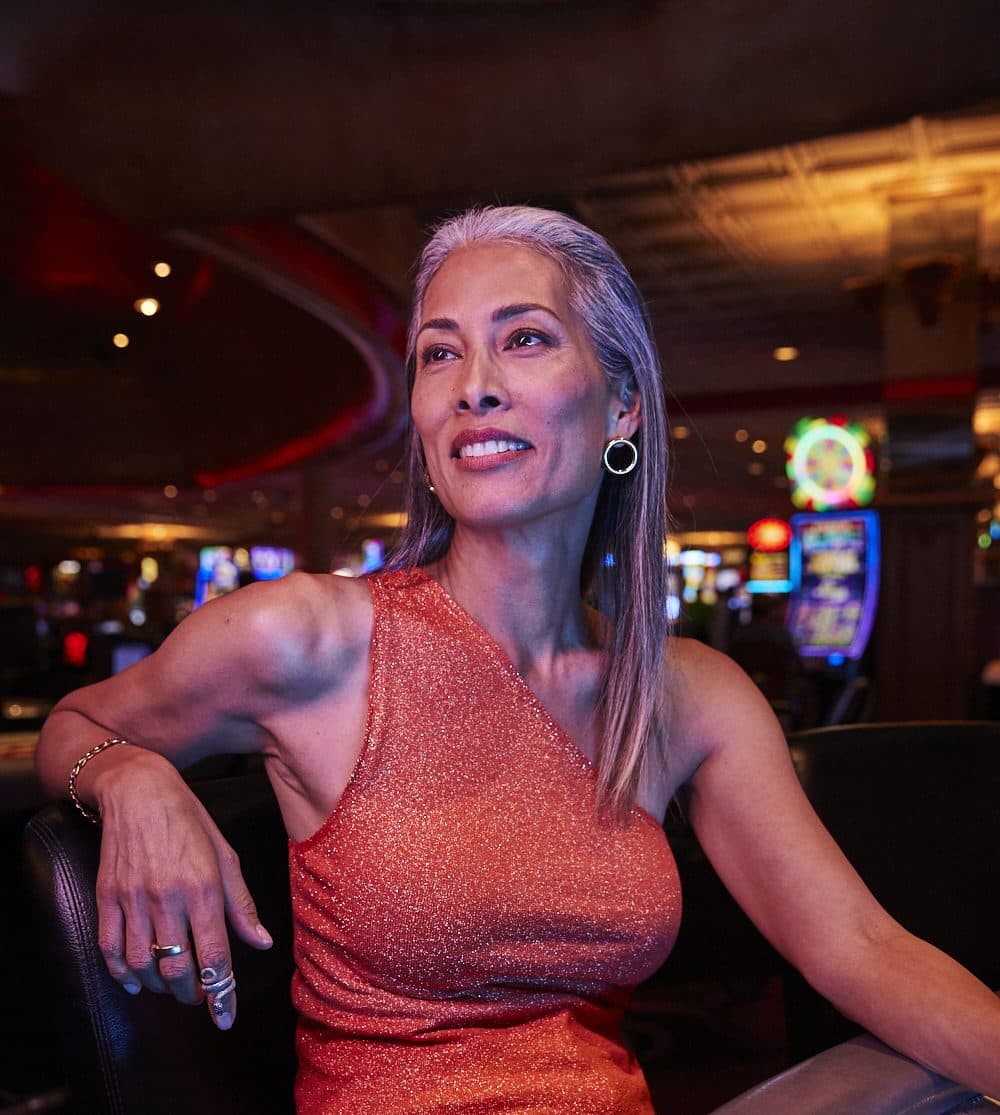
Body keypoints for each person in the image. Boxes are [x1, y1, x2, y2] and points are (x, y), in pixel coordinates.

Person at [36, 206, 1000, 1112]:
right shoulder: (308, 638)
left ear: (622, 405)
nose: (474, 383)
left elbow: (863, 947)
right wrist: (127, 774)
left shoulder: (684, 694)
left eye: (525, 337)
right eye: (439, 353)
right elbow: (72, 723)